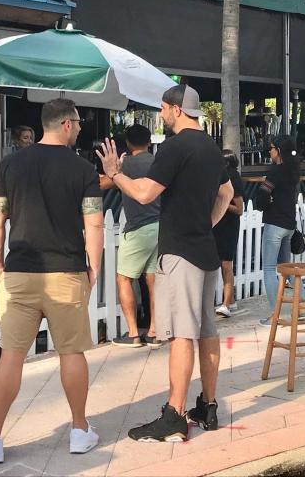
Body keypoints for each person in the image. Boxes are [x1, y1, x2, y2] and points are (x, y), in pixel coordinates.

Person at [97, 84, 233, 442]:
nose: (161, 115)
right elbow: (228, 192)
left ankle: (174, 414)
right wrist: (206, 223)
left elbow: (144, 193)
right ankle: (208, 406)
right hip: (204, 249)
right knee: (206, 330)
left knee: (182, 336)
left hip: (181, 254)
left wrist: (114, 174)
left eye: (162, 109)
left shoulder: (176, 146)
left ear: (175, 109)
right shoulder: (210, 146)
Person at [0, 99, 103, 463]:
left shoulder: (10, 165)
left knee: (10, 356)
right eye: (77, 122)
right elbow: (93, 223)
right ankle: (79, 430)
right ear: (64, 123)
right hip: (66, 272)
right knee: (71, 352)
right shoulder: (82, 169)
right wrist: (94, 266)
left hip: (20, 272)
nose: (79, 128)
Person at [100, 124, 162, 348]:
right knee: (153, 279)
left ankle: (134, 333)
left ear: (127, 143)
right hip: (160, 226)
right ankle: (154, 331)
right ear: (149, 142)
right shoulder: (158, 162)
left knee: (124, 278)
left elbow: (104, 183)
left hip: (138, 228)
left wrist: (112, 169)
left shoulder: (126, 165)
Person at [257, 135, 302, 326]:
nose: (270, 151)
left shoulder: (274, 173)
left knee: (269, 269)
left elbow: (261, 197)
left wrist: (266, 201)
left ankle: (276, 314)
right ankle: (302, 307)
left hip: (274, 224)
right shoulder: (293, 171)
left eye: (272, 148)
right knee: (288, 269)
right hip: (289, 225)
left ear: (279, 151)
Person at [214, 149, 244, 318]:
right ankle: (230, 300)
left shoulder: (233, 178)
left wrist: (223, 203)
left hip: (229, 225)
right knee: (220, 263)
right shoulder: (220, 177)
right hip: (218, 223)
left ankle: (226, 303)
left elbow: (239, 209)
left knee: (226, 264)